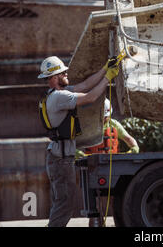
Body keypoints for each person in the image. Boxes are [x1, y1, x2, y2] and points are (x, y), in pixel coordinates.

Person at [38, 55, 118, 227]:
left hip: (58, 158)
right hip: (61, 160)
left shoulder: (56, 95)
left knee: (62, 203)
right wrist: (108, 79)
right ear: (53, 78)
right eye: (62, 72)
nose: (66, 72)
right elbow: (89, 97)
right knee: (64, 204)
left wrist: (105, 68)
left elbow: (85, 85)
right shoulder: (59, 97)